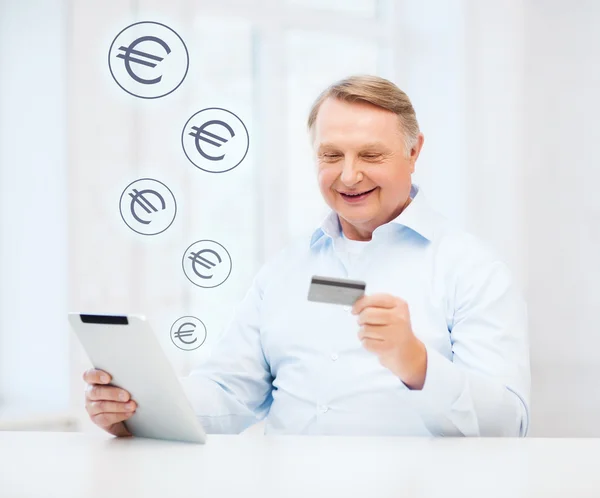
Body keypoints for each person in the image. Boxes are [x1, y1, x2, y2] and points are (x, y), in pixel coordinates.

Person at [84, 75, 530, 437]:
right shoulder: (285, 269)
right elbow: (228, 393)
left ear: (414, 152)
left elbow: (508, 424)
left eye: (371, 155)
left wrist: (417, 364)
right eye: (331, 155)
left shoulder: (471, 270)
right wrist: (137, 407)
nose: (349, 175)